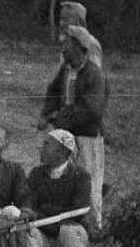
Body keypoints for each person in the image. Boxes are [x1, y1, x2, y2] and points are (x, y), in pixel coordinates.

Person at [40, 22, 108, 230]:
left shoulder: (94, 75)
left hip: (86, 137)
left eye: (67, 44)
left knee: (89, 182)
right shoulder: (66, 70)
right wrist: (46, 113)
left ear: (79, 47)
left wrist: (60, 116)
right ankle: (64, 225)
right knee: (60, 176)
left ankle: (94, 228)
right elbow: (53, 92)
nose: (62, 49)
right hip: (65, 133)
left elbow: (92, 109)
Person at [22, 129, 91, 247]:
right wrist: (28, 209)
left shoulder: (81, 176)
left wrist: (45, 210)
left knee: (69, 230)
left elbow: (78, 212)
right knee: (27, 231)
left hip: (67, 239)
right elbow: (30, 198)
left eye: (47, 145)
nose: (41, 148)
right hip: (45, 237)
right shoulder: (37, 173)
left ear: (61, 153)